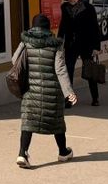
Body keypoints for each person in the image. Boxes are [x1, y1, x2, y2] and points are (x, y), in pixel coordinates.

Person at [14, 14, 76, 168]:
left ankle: (22, 154)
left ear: (33, 26)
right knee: (57, 122)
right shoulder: (56, 44)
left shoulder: (26, 41)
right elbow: (60, 69)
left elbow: (15, 60)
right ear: (48, 28)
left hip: (31, 90)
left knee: (28, 122)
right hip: (52, 91)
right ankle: (63, 152)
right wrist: (69, 92)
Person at [59, 0, 103, 106]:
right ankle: (69, 99)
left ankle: (95, 98)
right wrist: (59, 39)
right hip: (71, 44)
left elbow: (95, 28)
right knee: (68, 71)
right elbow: (63, 25)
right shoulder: (65, 7)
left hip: (86, 44)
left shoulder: (88, 8)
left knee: (90, 70)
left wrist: (96, 47)